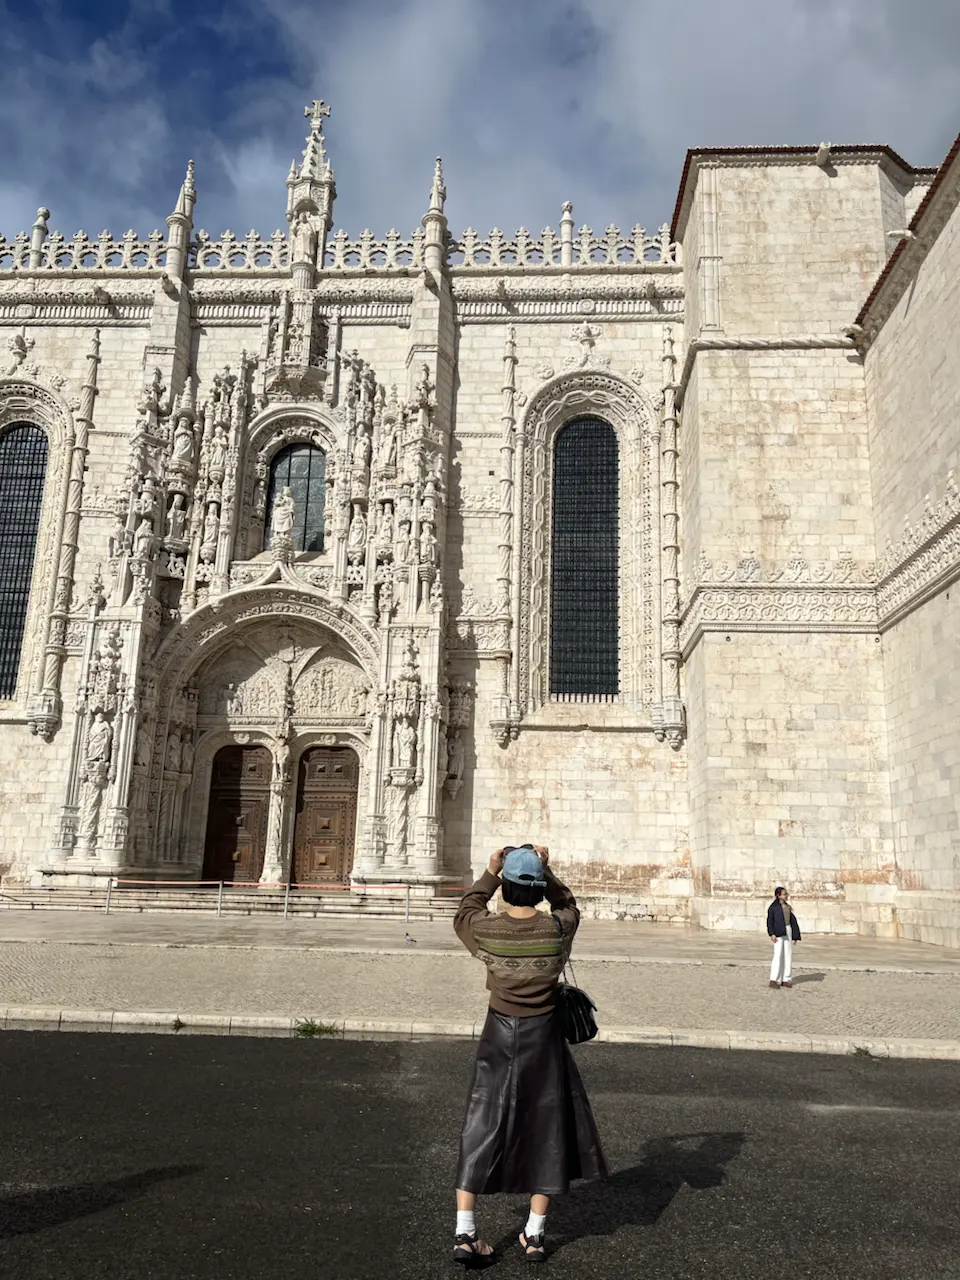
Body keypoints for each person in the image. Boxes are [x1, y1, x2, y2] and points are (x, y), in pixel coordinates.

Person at [452, 843, 606, 1265]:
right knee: (548, 1127)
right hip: (544, 1037)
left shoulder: (486, 929)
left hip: (498, 1034)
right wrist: (548, 870)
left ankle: (465, 1232)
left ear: (505, 888)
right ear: (538, 890)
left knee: (481, 1122)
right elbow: (568, 902)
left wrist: (489, 873)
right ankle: (534, 1235)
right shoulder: (557, 929)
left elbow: (466, 909)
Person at [767, 886, 801, 988]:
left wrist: (795, 935)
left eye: (786, 894)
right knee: (778, 955)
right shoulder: (773, 908)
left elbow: (793, 921)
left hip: (788, 930)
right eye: (784, 894)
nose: (786, 896)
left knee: (788, 954)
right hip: (778, 932)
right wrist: (771, 933)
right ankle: (774, 979)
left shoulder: (788, 907)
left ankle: (786, 978)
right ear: (778, 895)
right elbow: (769, 921)